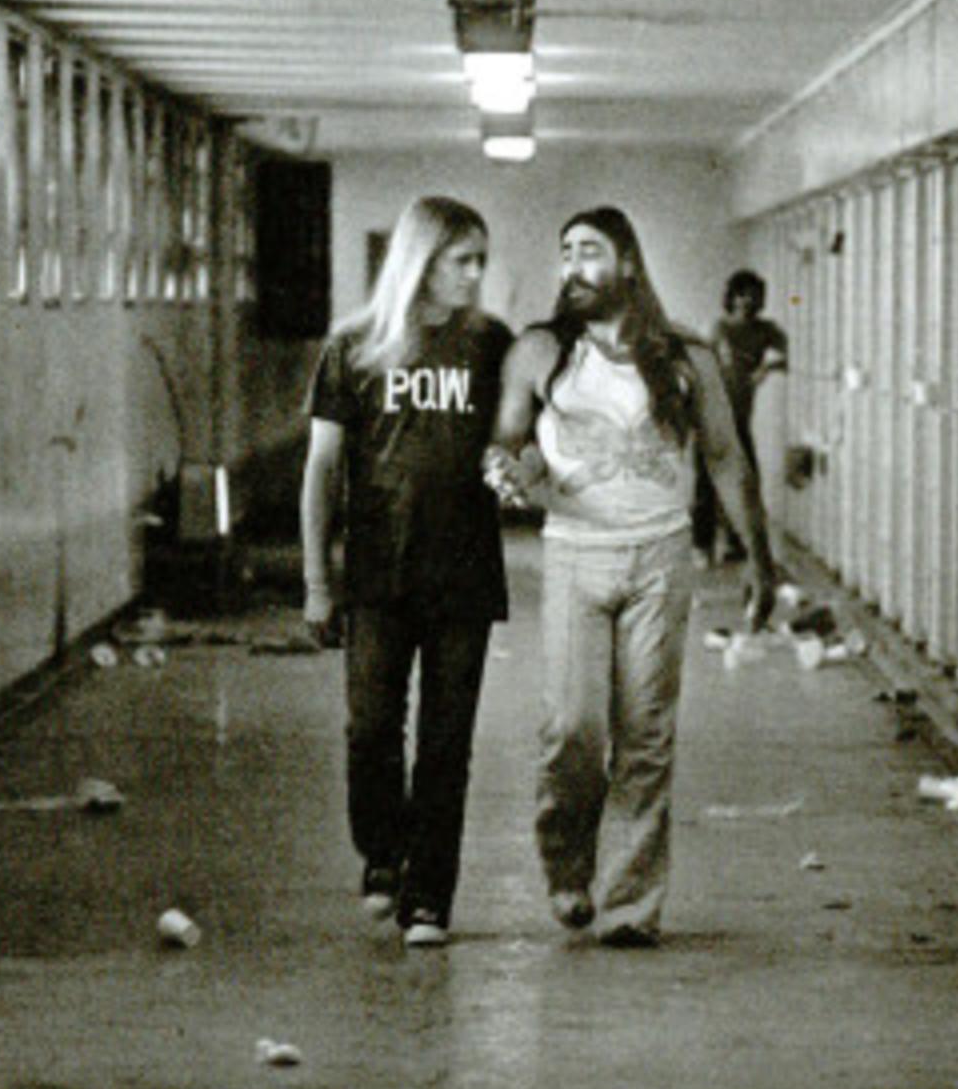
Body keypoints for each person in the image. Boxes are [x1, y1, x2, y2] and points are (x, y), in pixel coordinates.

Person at [484, 207, 774, 948]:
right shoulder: (540, 350)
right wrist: (507, 470)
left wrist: (760, 560)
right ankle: (568, 865)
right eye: (566, 253)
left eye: (590, 252)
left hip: (660, 557)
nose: (573, 267)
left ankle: (629, 905)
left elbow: (726, 458)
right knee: (573, 730)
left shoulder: (685, 357)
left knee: (646, 736)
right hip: (574, 554)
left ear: (628, 264)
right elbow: (506, 440)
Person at [300, 197, 514, 948]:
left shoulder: (490, 344)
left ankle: (429, 898)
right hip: (377, 573)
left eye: (481, 259)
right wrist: (316, 582)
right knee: (370, 730)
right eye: (463, 259)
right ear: (422, 261)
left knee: (446, 743)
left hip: (464, 573)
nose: (476, 273)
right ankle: (383, 852)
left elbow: (519, 428)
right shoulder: (353, 346)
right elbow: (322, 468)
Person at [693, 268, 789, 564]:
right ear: (732, 298)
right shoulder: (718, 329)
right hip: (712, 418)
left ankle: (737, 543)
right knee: (707, 485)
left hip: (740, 420)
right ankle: (703, 545)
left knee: (746, 485)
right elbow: (698, 363)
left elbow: (787, 354)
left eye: (754, 296)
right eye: (743, 295)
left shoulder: (766, 331)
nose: (748, 301)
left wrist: (766, 368)